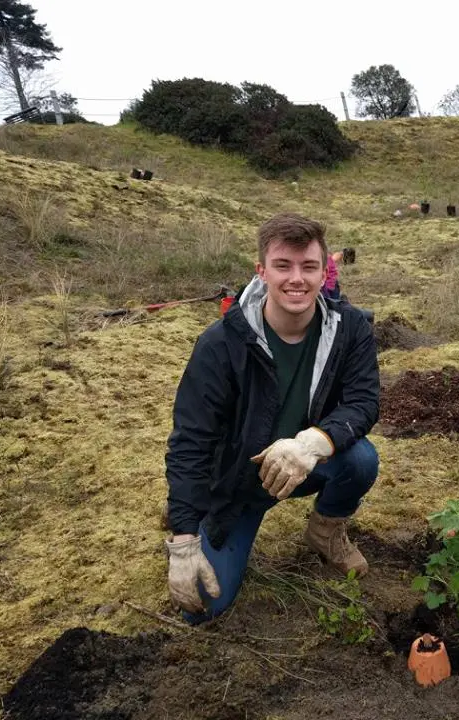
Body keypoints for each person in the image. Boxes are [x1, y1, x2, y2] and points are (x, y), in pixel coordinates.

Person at [164, 212, 381, 624]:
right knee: (200, 606)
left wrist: (309, 444)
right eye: (283, 266)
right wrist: (184, 539)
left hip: (304, 466)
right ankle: (200, 521)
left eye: (308, 267)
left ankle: (325, 532)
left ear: (323, 273)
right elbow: (190, 443)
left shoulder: (350, 329)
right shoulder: (219, 345)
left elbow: (364, 403)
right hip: (239, 484)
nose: (296, 278)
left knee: (361, 460)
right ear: (261, 271)